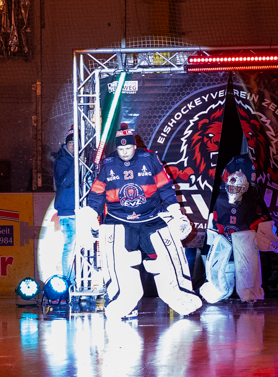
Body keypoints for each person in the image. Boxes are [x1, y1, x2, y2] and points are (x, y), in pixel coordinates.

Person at [73, 125, 202, 319]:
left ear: (135, 146)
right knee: (119, 262)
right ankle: (124, 300)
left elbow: (165, 187)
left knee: (167, 256)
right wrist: (91, 214)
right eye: (121, 149)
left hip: (151, 218)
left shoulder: (150, 159)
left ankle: (180, 296)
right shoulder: (107, 165)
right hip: (119, 220)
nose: (125, 152)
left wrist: (175, 211)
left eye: (128, 148)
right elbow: (97, 194)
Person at [199, 157, 278, 305]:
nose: (233, 191)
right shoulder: (220, 200)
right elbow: (214, 221)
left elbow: (261, 221)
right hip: (224, 239)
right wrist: (211, 239)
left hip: (244, 240)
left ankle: (250, 292)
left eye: (236, 188)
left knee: (247, 271)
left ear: (244, 188)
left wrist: (268, 237)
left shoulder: (251, 201)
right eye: (231, 188)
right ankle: (218, 290)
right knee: (217, 268)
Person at [52, 130, 78, 281]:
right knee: (70, 246)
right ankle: (69, 280)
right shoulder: (61, 161)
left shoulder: (79, 159)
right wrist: (76, 162)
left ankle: (76, 279)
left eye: (76, 143)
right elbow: (65, 182)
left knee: (78, 247)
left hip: (78, 210)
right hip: (68, 212)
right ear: (66, 144)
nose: (73, 146)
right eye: (70, 143)